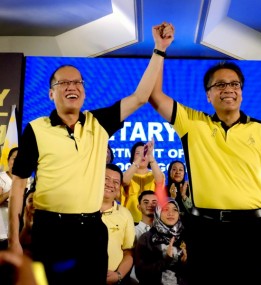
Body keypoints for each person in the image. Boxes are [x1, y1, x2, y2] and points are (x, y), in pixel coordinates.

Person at [8, 22, 174, 285]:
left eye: (77, 82)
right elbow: (18, 187)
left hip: (91, 231)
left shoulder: (99, 123)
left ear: (84, 91)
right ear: (51, 93)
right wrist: (15, 240)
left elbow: (141, 96)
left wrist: (159, 49)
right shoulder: (36, 129)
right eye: (64, 82)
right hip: (50, 230)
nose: (72, 86)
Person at [149, 41, 261, 284]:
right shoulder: (193, 124)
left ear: (241, 91)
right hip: (207, 230)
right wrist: (160, 49)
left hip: (253, 230)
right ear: (208, 95)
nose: (228, 89)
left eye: (234, 84)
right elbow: (155, 96)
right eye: (220, 84)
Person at [134, 197, 188, 285]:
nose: (171, 213)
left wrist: (184, 263)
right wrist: (165, 261)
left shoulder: (184, 236)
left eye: (175, 210)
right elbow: (140, 273)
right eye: (165, 209)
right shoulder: (147, 238)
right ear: (158, 212)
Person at [101, 164, 135, 285]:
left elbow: (129, 251)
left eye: (116, 182)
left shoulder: (125, 214)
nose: (110, 184)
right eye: (106, 178)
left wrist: (118, 275)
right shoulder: (79, 209)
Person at [121, 138, 164, 223]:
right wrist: (138, 160)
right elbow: (124, 181)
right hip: (129, 221)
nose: (142, 155)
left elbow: (160, 181)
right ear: (132, 156)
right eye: (138, 153)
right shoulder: (126, 174)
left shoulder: (154, 175)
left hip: (151, 221)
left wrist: (150, 155)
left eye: (145, 153)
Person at [0, 147, 18, 250]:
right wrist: (10, 193)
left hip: (18, 235)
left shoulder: (29, 180)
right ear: (8, 160)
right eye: (14, 158)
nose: (16, 162)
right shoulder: (1, 178)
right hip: (2, 234)